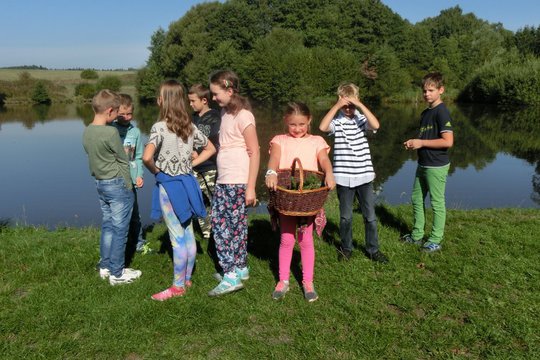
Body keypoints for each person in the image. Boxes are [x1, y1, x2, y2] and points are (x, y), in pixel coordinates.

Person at [143, 80, 216, 301]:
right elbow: (211, 148)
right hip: (189, 183)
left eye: (159, 96)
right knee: (188, 232)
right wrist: (189, 166)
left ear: (163, 101)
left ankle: (177, 287)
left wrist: (157, 172)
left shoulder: (159, 127)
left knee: (177, 238)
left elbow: (146, 157)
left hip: (170, 187)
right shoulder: (189, 125)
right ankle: (187, 279)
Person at [266, 102, 335, 302]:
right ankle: (283, 280)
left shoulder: (317, 141)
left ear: (309, 121)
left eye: (302, 124)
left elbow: (324, 161)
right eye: (293, 125)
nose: (297, 129)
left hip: (308, 198)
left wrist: (329, 173)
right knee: (287, 239)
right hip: (287, 197)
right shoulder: (279, 140)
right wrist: (271, 172)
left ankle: (308, 281)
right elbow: (274, 159)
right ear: (285, 122)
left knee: (306, 240)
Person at [319, 83, 388, 263]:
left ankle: (373, 250)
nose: (348, 108)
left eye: (351, 105)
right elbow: (322, 127)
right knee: (345, 217)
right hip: (343, 177)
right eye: (345, 105)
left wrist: (360, 105)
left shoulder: (361, 119)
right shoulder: (337, 122)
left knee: (370, 217)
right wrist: (337, 106)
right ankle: (346, 248)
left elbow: (376, 125)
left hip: (364, 176)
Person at [207, 70, 260, 297]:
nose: (213, 98)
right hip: (225, 178)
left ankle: (230, 276)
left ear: (230, 91)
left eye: (216, 93)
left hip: (236, 179)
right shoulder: (225, 112)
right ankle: (240, 268)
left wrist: (251, 186)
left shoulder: (244, 116)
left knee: (221, 227)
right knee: (235, 225)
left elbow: (255, 151)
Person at [82, 89, 141, 286]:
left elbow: (91, 156)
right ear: (109, 111)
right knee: (120, 229)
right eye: (117, 112)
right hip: (117, 184)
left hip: (100, 183)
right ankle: (117, 273)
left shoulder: (88, 130)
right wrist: (127, 185)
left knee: (108, 225)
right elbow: (122, 160)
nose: (119, 116)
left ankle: (105, 266)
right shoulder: (111, 132)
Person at [402, 72, 454, 252]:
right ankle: (417, 235)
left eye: (431, 90)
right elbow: (426, 137)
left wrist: (421, 142)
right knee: (417, 199)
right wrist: (414, 142)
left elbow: (448, 141)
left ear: (441, 90)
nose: (427, 94)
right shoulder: (426, 113)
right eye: (424, 91)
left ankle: (435, 239)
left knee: (437, 202)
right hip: (423, 164)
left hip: (437, 165)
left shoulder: (442, 112)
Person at [111, 93, 148, 254]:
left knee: (134, 213)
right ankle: (120, 243)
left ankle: (138, 242)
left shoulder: (136, 132)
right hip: (114, 179)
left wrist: (139, 175)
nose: (126, 117)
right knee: (117, 215)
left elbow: (139, 156)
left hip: (131, 180)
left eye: (129, 114)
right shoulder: (110, 130)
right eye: (122, 114)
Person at [187, 84, 221, 240]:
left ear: (205, 100)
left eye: (193, 101)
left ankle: (221, 230)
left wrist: (198, 152)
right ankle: (207, 233)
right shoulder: (192, 118)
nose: (191, 104)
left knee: (217, 200)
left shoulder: (215, 117)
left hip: (211, 167)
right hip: (195, 168)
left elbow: (215, 142)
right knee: (199, 200)